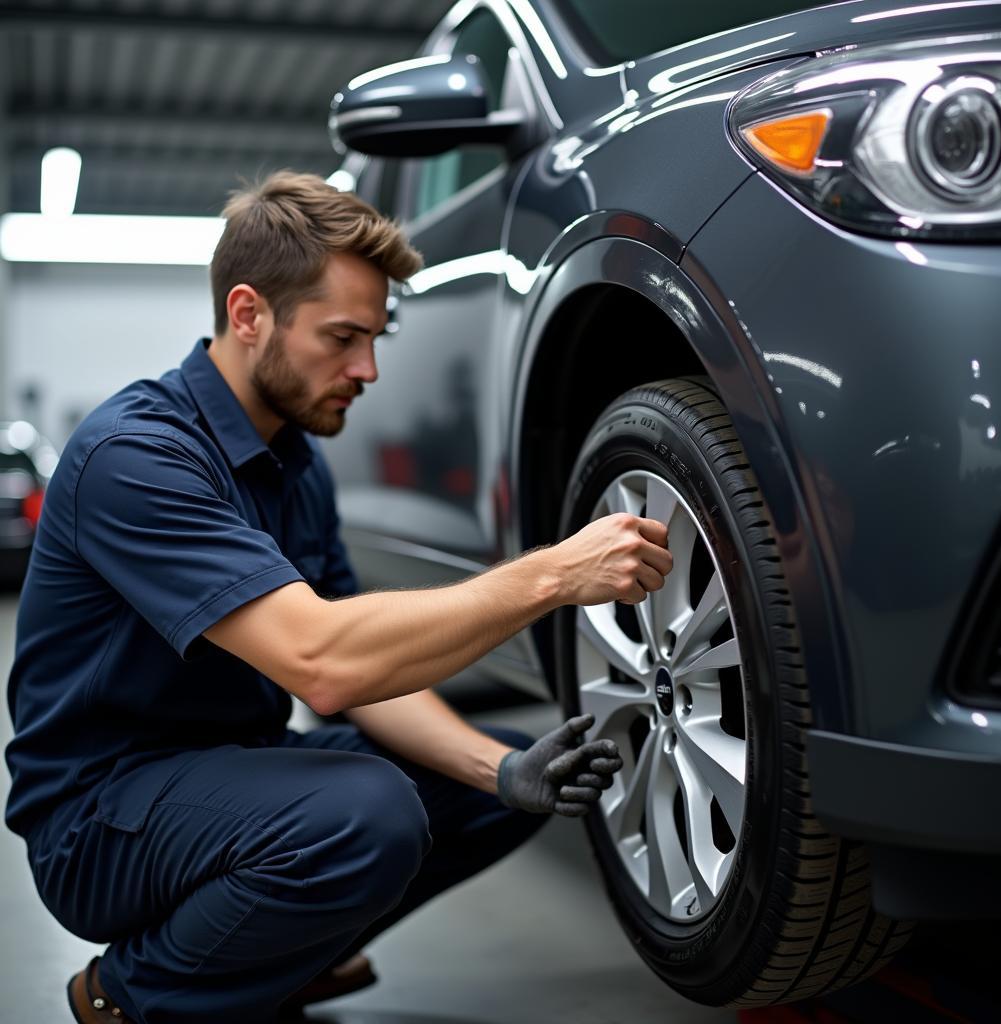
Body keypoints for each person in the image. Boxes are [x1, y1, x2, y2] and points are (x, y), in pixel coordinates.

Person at [4, 172, 674, 1024]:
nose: (367, 369)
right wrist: (553, 574)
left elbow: (374, 676)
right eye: (343, 338)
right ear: (249, 316)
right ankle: (129, 998)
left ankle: (272, 959)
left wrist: (500, 772)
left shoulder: (295, 464)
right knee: (366, 814)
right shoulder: (136, 458)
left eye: (377, 336)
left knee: (479, 781)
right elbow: (323, 662)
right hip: (101, 823)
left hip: (219, 782)